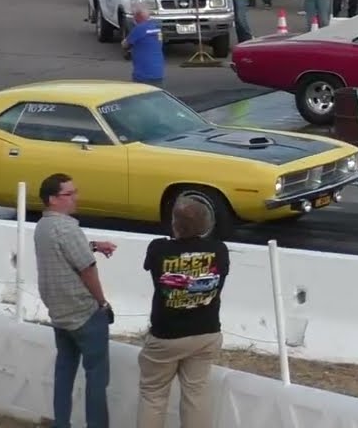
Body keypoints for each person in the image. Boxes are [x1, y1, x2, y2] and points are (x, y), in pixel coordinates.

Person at [137, 197, 230, 428]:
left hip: (166, 335)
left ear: (175, 223)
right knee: (196, 395)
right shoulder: (219, 250)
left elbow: (149, 266)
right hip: (206, 332)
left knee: (153, 395)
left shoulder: (159, 248)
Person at [35, 173, 117, 428]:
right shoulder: (68, 228)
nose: (75, 198)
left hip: (59, 312)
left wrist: (93, 245)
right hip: (83, 311)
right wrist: (102, 303)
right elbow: (87, 269)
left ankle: (62, 423)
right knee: (97, 377)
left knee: (64, 372)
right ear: (53, 199)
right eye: (69, 194)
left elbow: (65, 247)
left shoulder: (43, 226)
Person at [121, 8, 164, 87]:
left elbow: (125, 44)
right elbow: (158, 43)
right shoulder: (157, 28)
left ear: (138, 17)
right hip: (158, 72)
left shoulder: (139, 29)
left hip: (143, 74)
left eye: (134, 16)